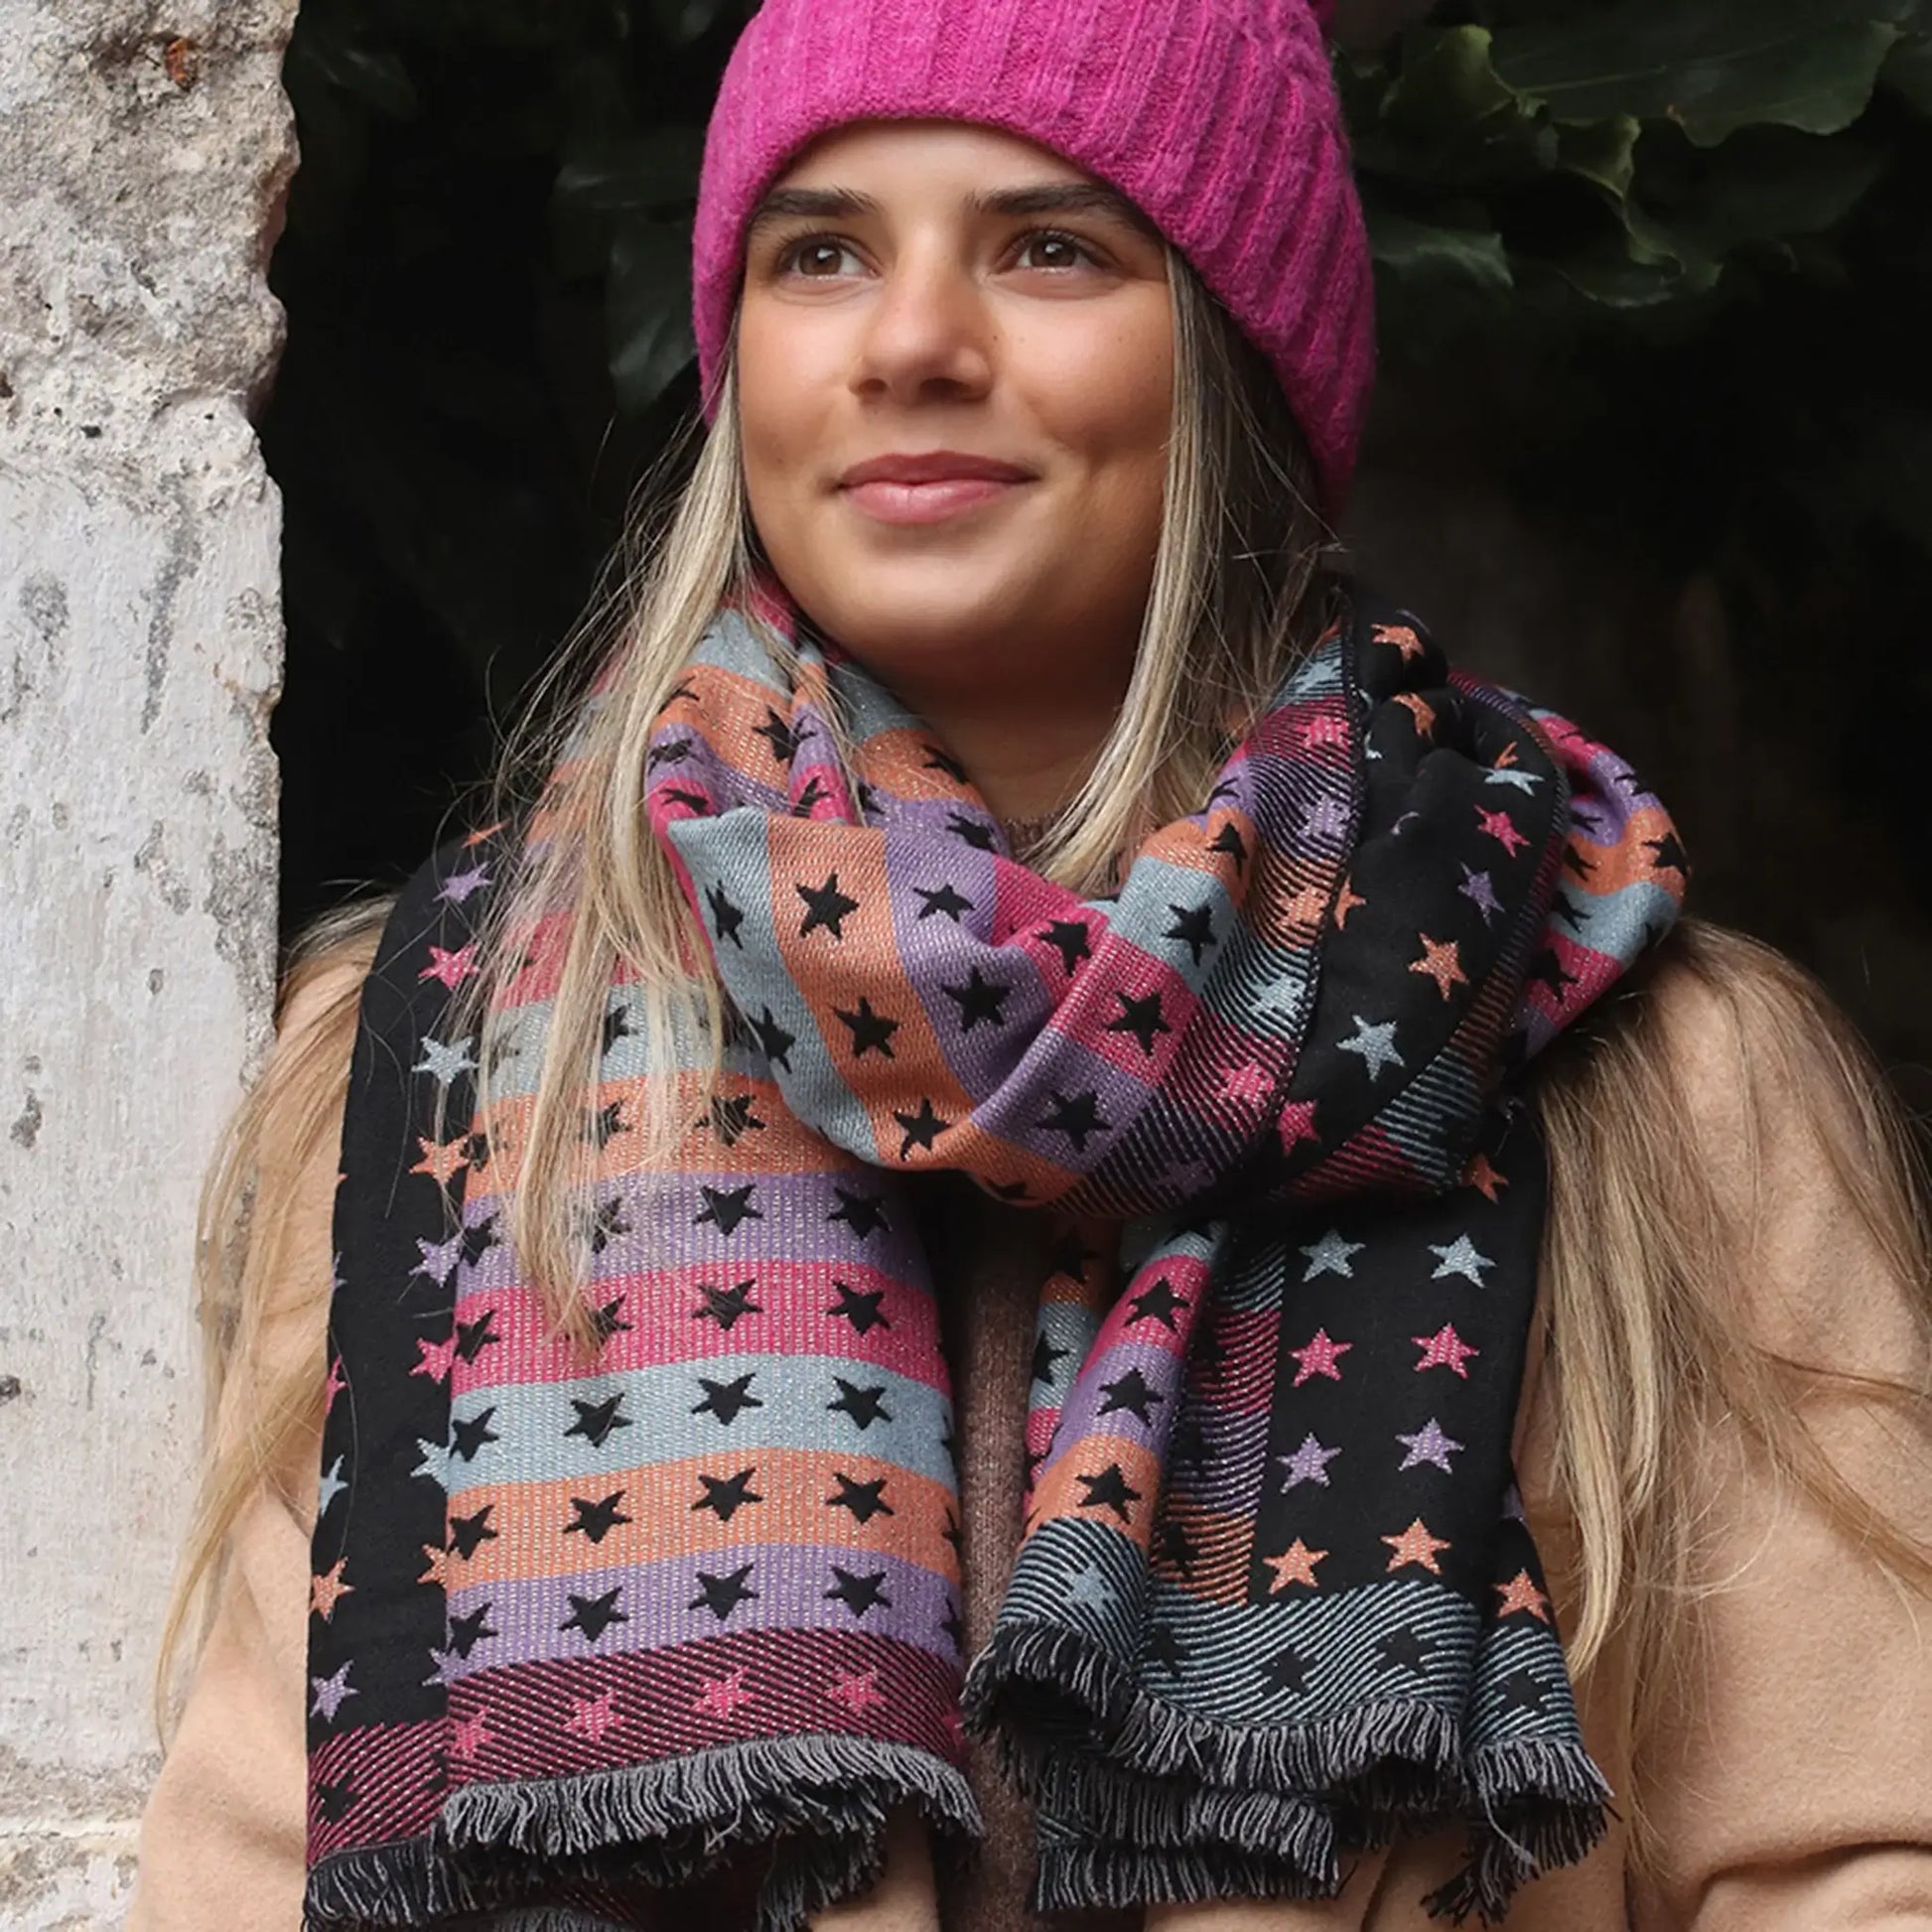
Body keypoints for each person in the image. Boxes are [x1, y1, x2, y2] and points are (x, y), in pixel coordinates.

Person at [131, 0, 1932, 1927]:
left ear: (1232, 358)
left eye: (1048, 246)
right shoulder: (459, 1064)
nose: (911, 342)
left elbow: (1850, 1868)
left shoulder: (1637, 1073)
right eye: (821, 251)